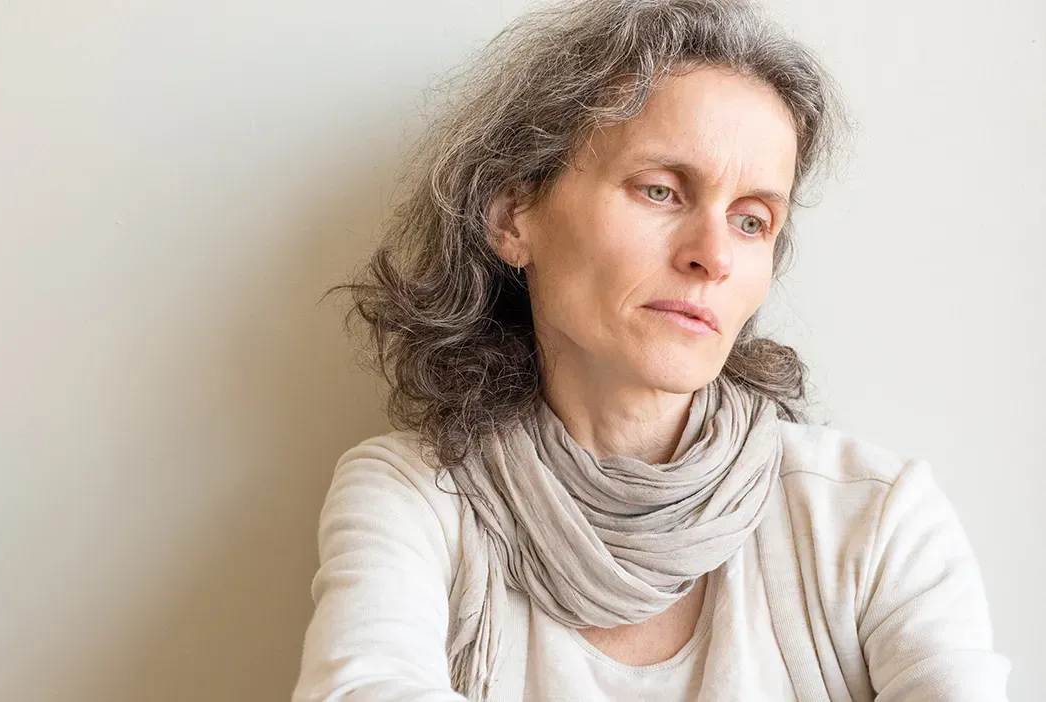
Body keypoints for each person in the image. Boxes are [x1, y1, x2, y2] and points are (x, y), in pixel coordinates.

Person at [292, 0, 1011, 699]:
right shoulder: (415, 498)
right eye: (662, 191)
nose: (714, 256)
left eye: (752, 220)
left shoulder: (874, 516)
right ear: (514, 216)